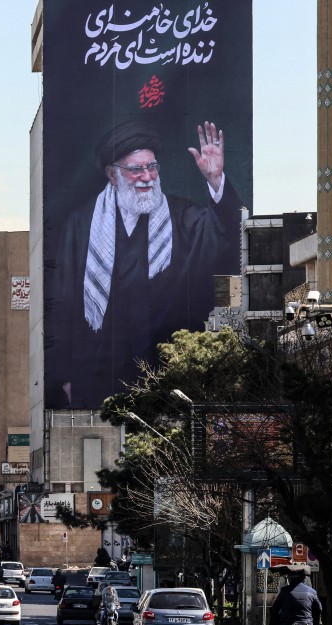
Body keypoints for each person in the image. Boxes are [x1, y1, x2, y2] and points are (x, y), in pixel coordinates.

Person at [48, 119, 245, 409]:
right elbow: (63, 302)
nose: (147, 177)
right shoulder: (82, 224)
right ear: (112, 175)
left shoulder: (182, 216)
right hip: (97, 374)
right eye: (136, 169)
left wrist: (216, 181)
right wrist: (64, 377)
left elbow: (224, 234)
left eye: (152, 167)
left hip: (167, 373)